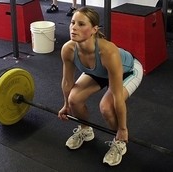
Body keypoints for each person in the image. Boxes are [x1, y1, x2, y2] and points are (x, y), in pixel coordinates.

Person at [58, 7, 143, 166]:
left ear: (94, 29)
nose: (74, 27)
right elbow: (67, 82)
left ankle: (119, 142)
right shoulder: (68, 49)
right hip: (100, 72)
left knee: (106, 107)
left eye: (81, 24)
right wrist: (66, 105)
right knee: (74, 99)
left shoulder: (108, 51)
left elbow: (117, 96)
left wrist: (123, 129)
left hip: (128, 70)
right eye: (72, 22)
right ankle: (85, 130)